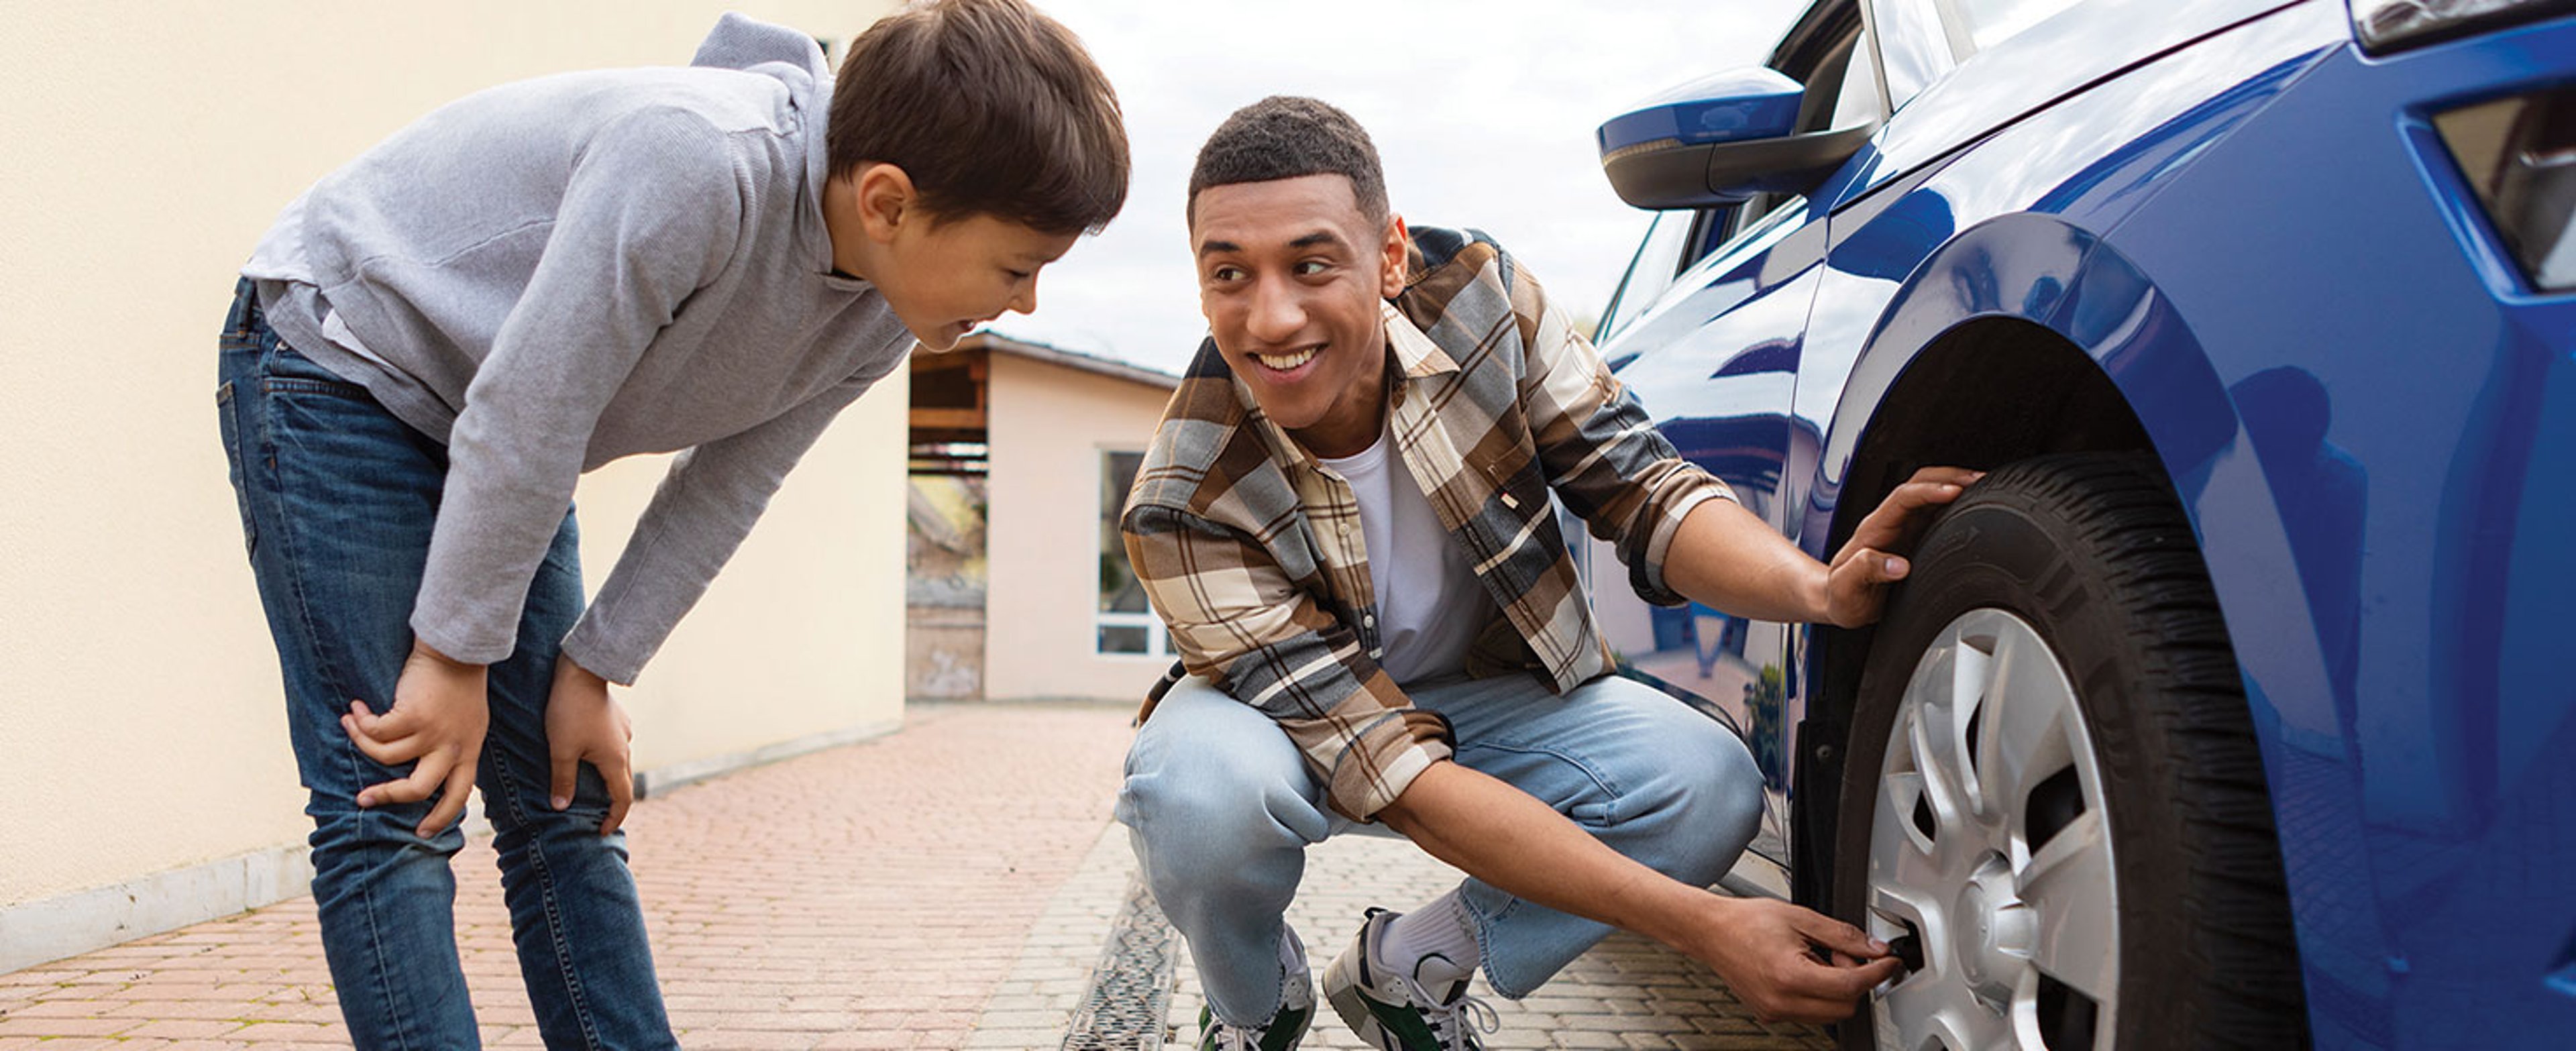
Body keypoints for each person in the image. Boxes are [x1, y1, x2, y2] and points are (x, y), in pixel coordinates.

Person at [213, 2, 1126, 1046]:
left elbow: (725, 486)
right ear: (887, 201)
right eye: (1017, 268)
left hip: (508, 437)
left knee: (569, 801)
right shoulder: (696, 163)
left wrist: (597, 668)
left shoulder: (884, 313)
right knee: (400, 794)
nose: (1029, 304)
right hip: (343, 359)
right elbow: (529, 409)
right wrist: (454, 656)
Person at [1116, 96, 1970, 1051]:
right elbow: (1391, 773)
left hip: (1485, 697)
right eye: (1229, 274)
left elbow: (1643, 489)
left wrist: (1819, 589)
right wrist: (1705, 927)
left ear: (1390, 257)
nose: (1270, 317)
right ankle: (1250, 1007)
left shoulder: (1483, 300)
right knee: (1196, 798)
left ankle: (1414, 966)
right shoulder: (1182, 495)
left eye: (1311, 264)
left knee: (1707, 783)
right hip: (1275, 723)